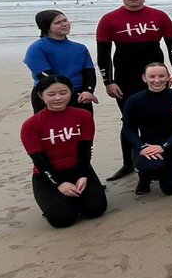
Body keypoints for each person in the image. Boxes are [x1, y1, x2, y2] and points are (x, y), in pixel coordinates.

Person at [96, 0, 172, 180]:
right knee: (129, 122)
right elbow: (103, 55)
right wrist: (109, 81)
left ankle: (166, 157)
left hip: (157, 77)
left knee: (162, 118)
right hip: (125, 79)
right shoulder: (109, 19)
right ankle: (128, 163)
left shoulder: (159, 16)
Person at [20, 74, 107, 228]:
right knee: (62, 219)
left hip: (78, 169)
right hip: (47, 175)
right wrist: (59, 184)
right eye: (51, 94)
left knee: (96, 210)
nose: (58, 98)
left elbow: (85, 150)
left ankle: (75, 197)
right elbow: (39, 159)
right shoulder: (31, 125)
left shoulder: (83, 116)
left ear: (71, 92)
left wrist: (83, 175)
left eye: (63, 93)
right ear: (41, 95)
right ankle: (58, 201)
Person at [122, 62, 172, 196]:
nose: (157, 80)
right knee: (152, 167)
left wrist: (164, 146)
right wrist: (141, 147)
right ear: (144, 78)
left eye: (161, 76)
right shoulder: (133, 101)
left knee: (171, 188)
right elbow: (128, 130)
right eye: (152, 76)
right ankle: (144, 178)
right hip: (146, 145)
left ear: (168, 77)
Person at [25, 10, 98, 115]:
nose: (65, 24)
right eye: (58, 22)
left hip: (80, 96)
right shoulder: (37, 48)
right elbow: (46, 77)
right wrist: (67, 93)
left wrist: (88, 91)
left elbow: (89, 72)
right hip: (51, 96)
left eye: (65, 20)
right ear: (46, 27)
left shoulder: (80, 48)